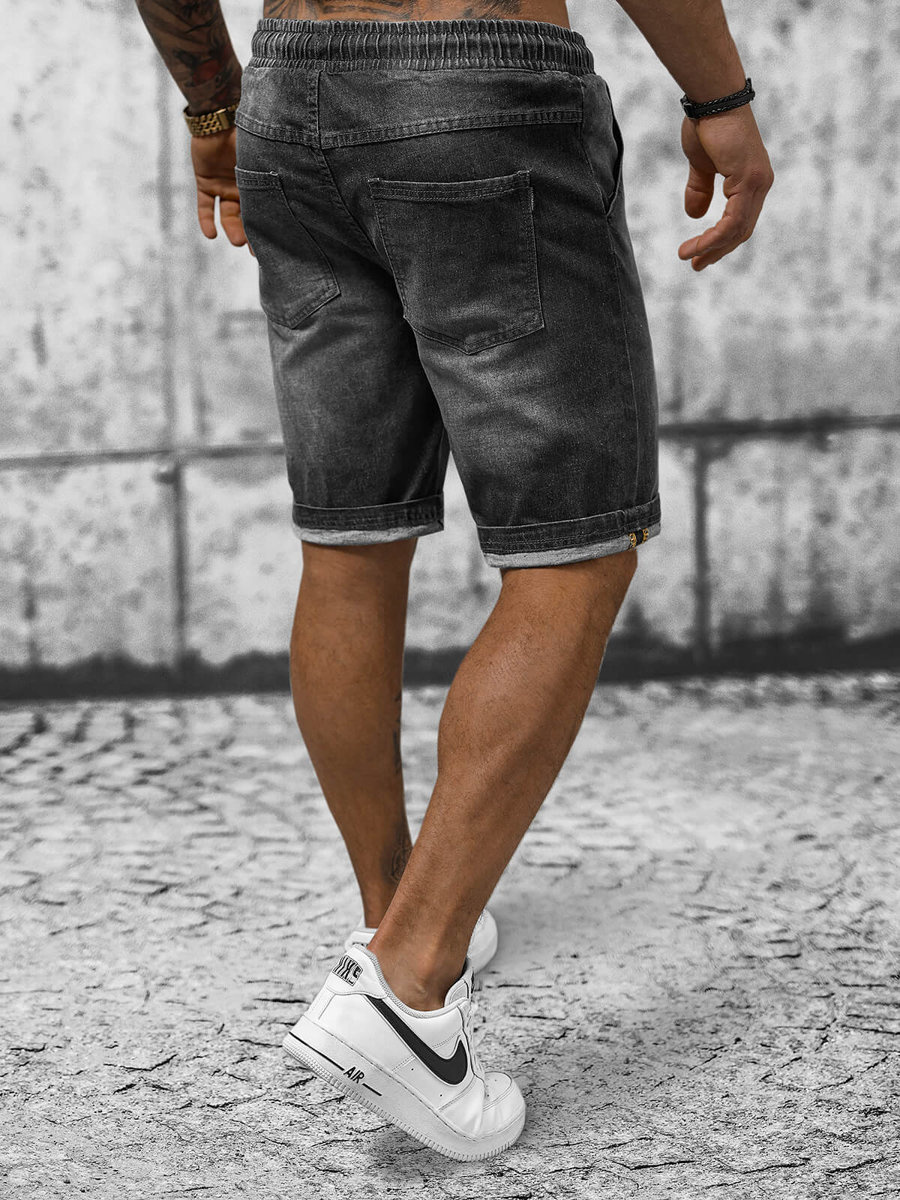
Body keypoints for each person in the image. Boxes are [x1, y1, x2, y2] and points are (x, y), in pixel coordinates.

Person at [136, 0, 773, 1161]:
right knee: (576, 548)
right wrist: (720, 97)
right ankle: (409, 985)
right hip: (482, 87)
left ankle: (393, 915)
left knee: (349, 541)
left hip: (292, 94)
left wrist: (216, 107)